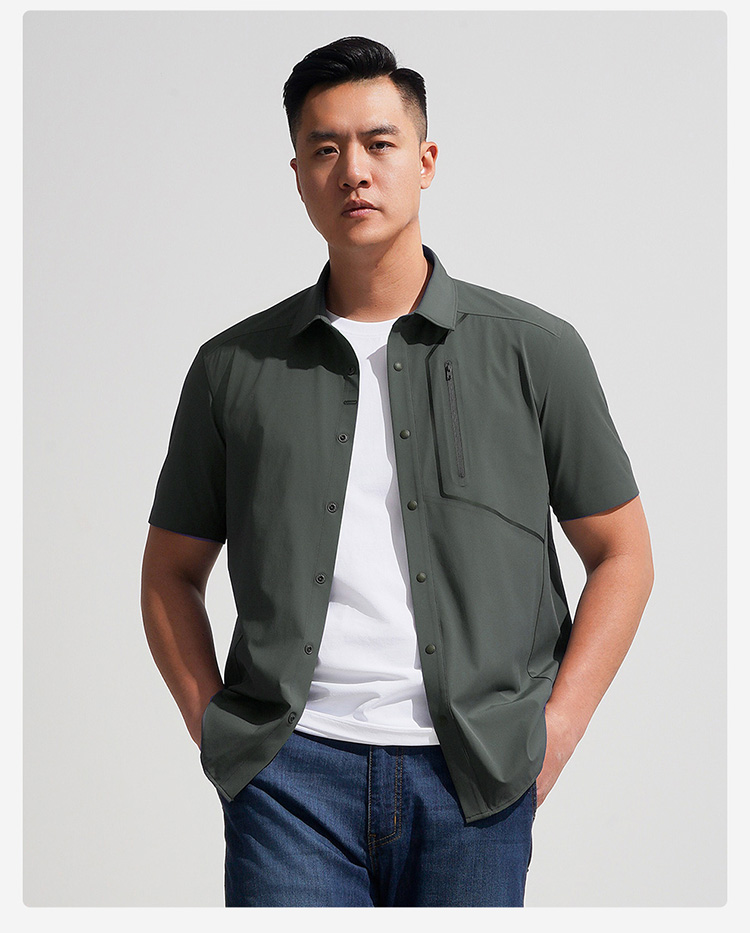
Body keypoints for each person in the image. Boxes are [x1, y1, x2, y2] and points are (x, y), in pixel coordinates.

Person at [140, 35, 654, 908]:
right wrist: (222, 738)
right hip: (289, 783)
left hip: (474, 780)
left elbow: (624, 553)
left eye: (379, 143)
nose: (354, 171)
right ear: (298, 174)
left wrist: (554, 731)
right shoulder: (233, 367)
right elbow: (168, 573)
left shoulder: (535, 351)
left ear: (425, 160)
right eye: (325, 149)